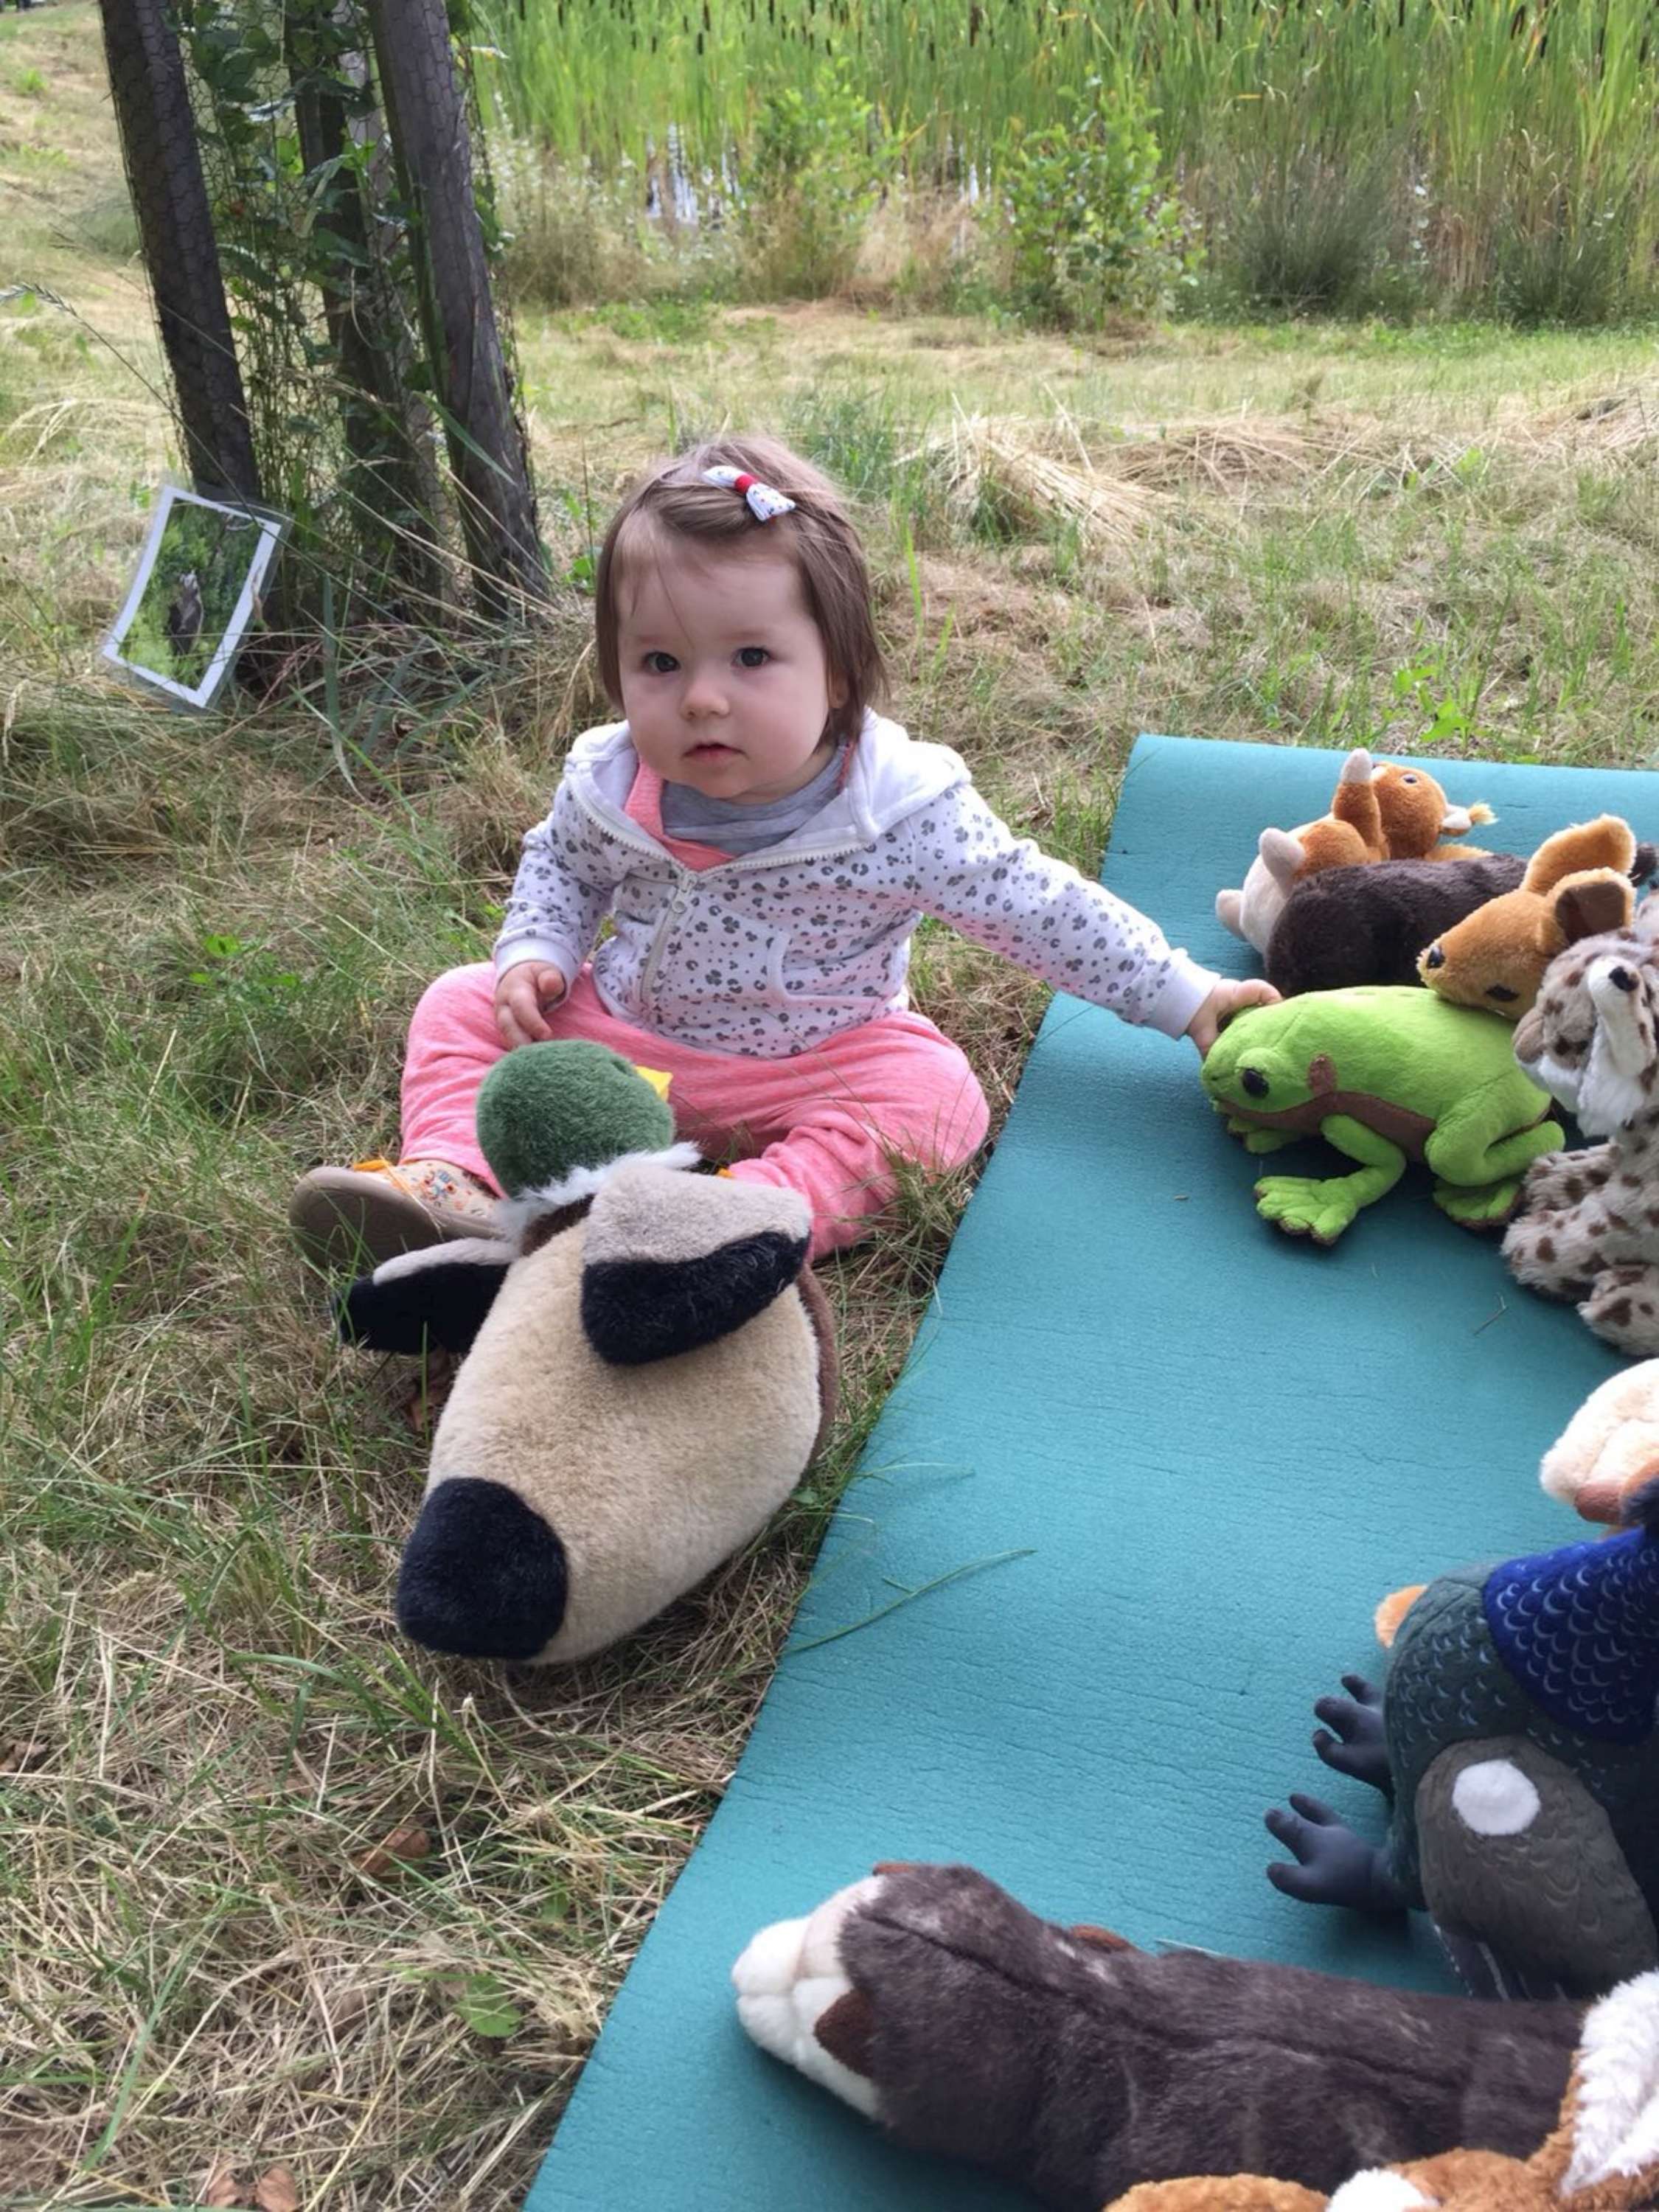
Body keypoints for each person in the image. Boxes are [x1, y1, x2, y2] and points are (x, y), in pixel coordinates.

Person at [291, 436, 1276, 1270]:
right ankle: (456, 1188)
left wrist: (1185, 996)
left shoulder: (898, 809)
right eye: (659, 663)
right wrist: (537, 951)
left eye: (751, 658)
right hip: (621, 1045)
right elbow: (562, 867)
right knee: (461, 1000)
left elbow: (1039, 908)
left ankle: (722, 1222)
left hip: (813, 1061)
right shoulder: (610, 782)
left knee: (935, 1100)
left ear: (839, 671)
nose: (701, 698)